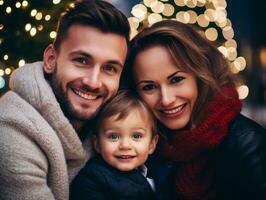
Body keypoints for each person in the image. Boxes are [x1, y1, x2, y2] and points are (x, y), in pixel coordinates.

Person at [122, 20, 266, 200]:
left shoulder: (247, 144)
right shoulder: (139, 146)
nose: (166, 100)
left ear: (200, 76)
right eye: (149, 87)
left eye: (176, 80)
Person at [0, 0, 129, 199]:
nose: (93, 83)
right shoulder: (10, 131)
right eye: (81, 60)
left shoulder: (117, 120)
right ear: (51, 59)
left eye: (109, 68)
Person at [70, 90, 175, 200]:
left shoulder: (162, 173)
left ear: (152, 144)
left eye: (137, 136)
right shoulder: (91, 180)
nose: (125, 145)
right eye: (113, 136)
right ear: (97, 144)